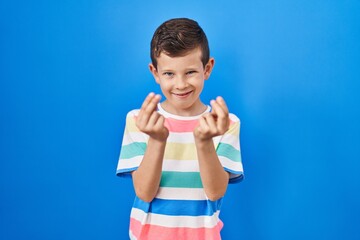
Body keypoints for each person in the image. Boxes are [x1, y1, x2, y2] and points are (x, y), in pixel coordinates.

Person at [116, 18, 244, 240]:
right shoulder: (139, 120)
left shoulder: (225, 123)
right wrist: (157, 140)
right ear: (155, 72)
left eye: (190, 72)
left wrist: (204, 142)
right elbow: (144, 192)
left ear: (208, 68)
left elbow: (215, 192)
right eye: (169, 74)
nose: (181, 84)